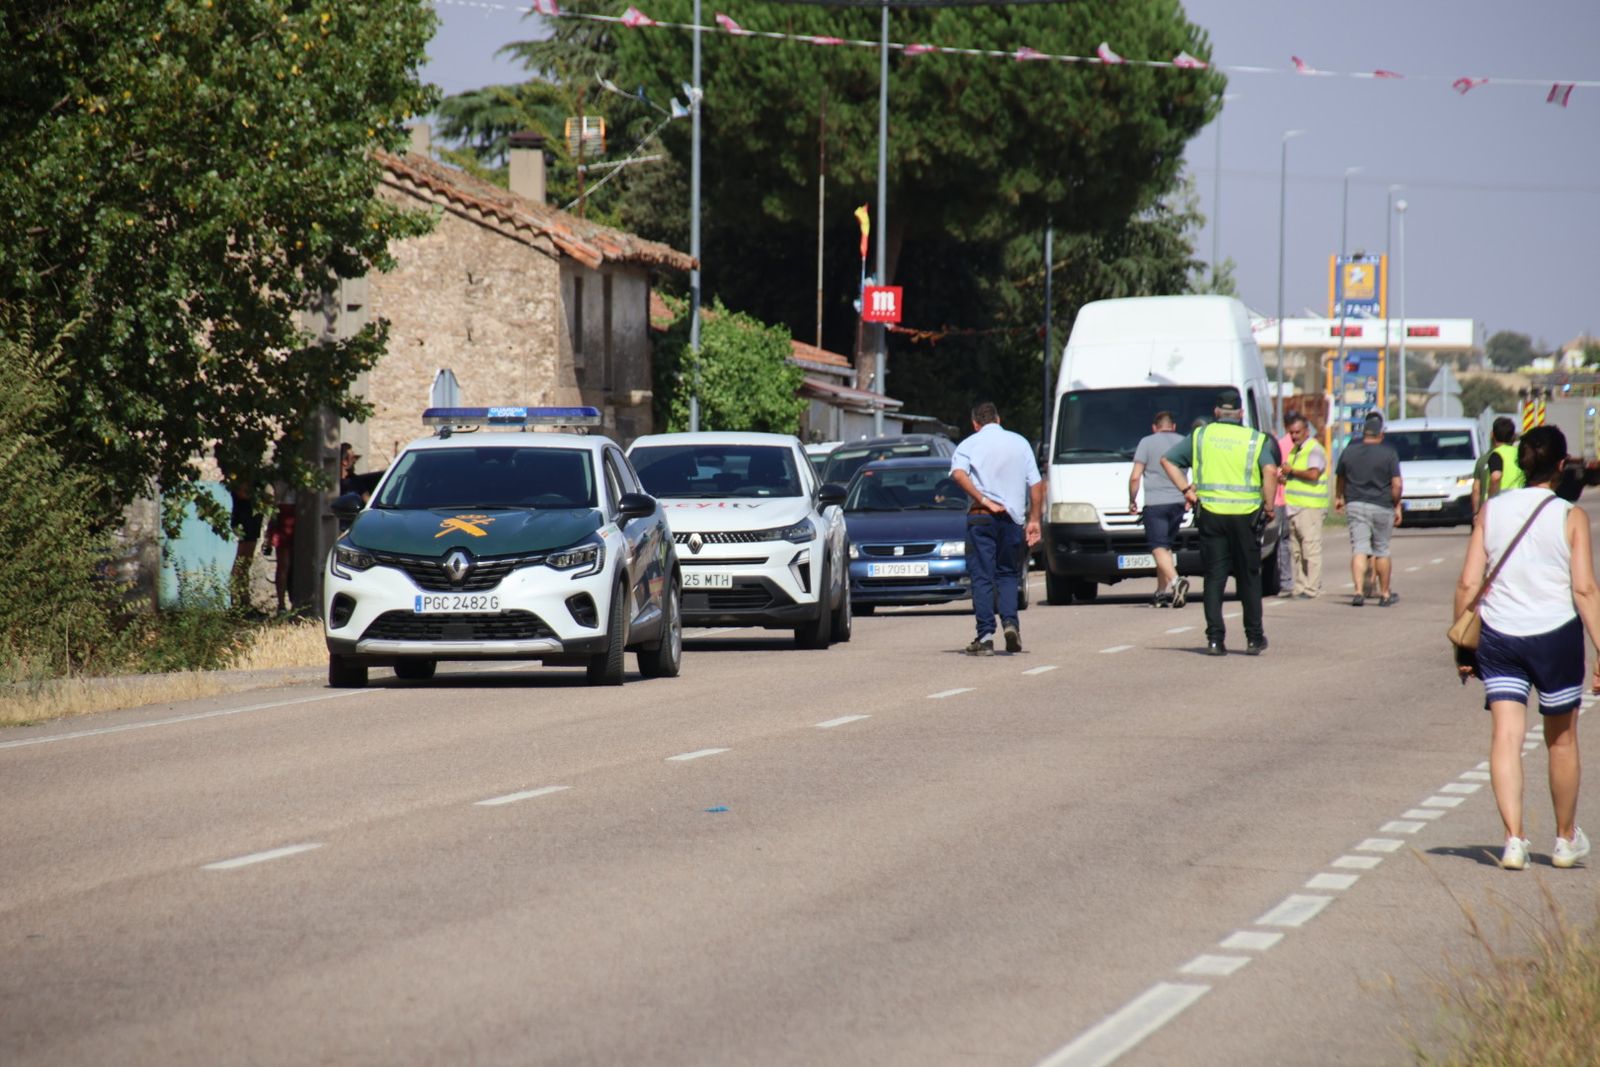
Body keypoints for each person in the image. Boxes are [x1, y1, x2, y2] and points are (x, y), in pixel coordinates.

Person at [1454, 425, 1599, 871]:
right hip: (1555, 636)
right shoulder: (1570, 517)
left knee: (1506, 737)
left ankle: (1513, 840)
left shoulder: (1492, 511)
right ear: (1561, 465)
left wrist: (1463, 651)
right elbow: (1584, 588)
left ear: (1520, 463)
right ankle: (1564, 839)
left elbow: (1467, 582)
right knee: (1562, 740)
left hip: (1499, 636)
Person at [1159, 391, 1279, 656]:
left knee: (1214, 578)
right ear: (1240, 414)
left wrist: (1186, 491)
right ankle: (1253, 638)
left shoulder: (1201, 436)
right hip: (1246, 516)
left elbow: (1167, 460)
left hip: (1211, 514)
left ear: (1215, 412)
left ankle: (1215, 639)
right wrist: (1268, 506)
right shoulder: (1254, 439)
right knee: (1248, 577)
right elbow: (1270, 471)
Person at [949, 401, 1044, 656]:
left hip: (981, 517)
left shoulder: (969, 444)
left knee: (981, 575)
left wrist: (982, 499)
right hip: (1012, 520)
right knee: (1007, 574)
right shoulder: (1020, 443)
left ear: (975, 423)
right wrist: (1034, 519)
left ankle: (986, 635)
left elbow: (958, 474)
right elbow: (1036, 484)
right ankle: (1011, 623)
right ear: (999, 420)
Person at [1334, 413, 1403, 607]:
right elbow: (1396, 484)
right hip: (1382, 505)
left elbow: (1340, 477)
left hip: (1355, 503)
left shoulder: (1349, 451)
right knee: (1381, 549)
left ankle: (1358, 592)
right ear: (1380, 434)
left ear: (1364, 433)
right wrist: (1396, 504)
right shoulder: (1389, 453)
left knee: (1359, 548)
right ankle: (1385, 594)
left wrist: (1339, 497)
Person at [1128, 411, 1189, 608]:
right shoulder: (1184, 441)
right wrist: (1191, 494)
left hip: (1155, 503)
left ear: (1155, 428)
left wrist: (1132, 500)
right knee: (1166, 548)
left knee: (1157, 547)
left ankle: (1176, 582)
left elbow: (1135, 476)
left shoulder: (1146, 442)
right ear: (1174, 426)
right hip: (1179, 502)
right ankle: (1161, 593)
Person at [1280, 412, 1328, 599]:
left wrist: (1292, 471)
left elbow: (1313, 475)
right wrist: (1286, 478)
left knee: (1310, 549)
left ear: (1306, 431)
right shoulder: (1296, 450)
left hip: (1310, 507)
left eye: (1297, 432)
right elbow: (1297, 477)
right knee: (1297, 551)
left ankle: (1312, 587)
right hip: (1294, 508)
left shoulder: (1314, 449)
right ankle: (1300, 586)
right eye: (1291, 433)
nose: (1293, 436)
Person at [1472, 417, 1517, 516]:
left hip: (1494, 509)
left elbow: (1476, 489)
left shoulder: (1487, 459)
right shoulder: (1522, 456)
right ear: (1513, 436)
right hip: (1518, 507)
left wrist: (1476, 513)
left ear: (1492, 434)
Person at [1271, 421, 1295, 597]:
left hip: (1283, 500)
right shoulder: (1287, 445)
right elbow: (1278, 474)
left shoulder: (1281, 444)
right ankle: (1293, 581)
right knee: (1291, 542)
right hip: (1286, 499)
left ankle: (1287, 581)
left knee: (1284, 542)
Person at [1486, 417, 1524, 499]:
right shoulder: (1520, 453)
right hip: (1520, 498)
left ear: (1493, 435)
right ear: (1513, 436)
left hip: (1502, 499)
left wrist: (1491, 498)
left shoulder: (1496, 454)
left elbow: (1496, 477)